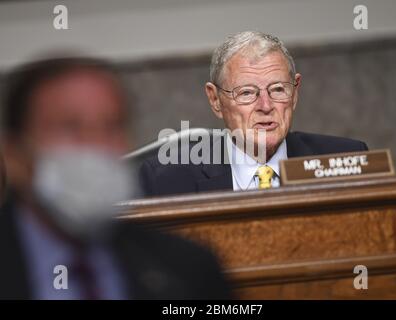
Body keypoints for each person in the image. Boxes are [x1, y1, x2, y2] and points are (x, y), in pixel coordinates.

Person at [0, 57, 229, 299]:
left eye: (112, 127)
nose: (95, 145)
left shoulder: (187, 271)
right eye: (69, 127)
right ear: (14, 155)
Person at [140, 31, 368, 196]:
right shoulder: (166, 182)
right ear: (215, 100)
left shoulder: (347, 160)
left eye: (278, 89)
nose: (265, 105)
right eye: (247, 93)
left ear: (295, 92)